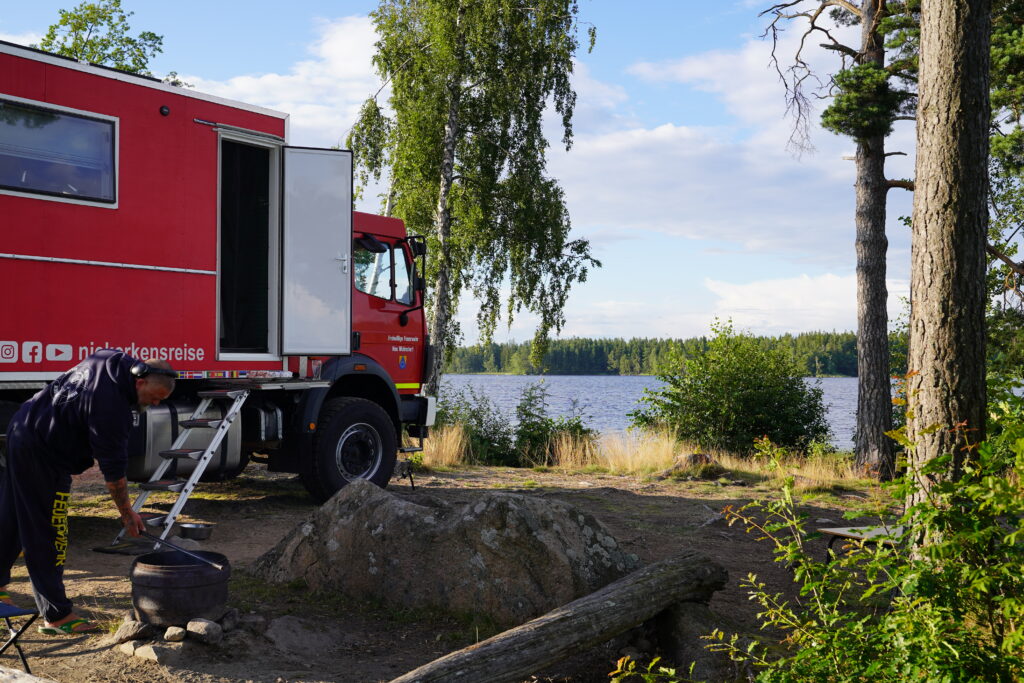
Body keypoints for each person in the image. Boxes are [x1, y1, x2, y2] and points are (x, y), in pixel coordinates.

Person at [0, 350, 175, 634]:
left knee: (12, 513)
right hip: (43, 452)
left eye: (161, 402)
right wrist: (127, 514)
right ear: (140, 382)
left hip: (23, 428)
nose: (154, 404)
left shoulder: (111, 360)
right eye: (154, 397)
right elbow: (114, 476)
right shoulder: (111, 409)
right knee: (49, 528)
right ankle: (56, 614)